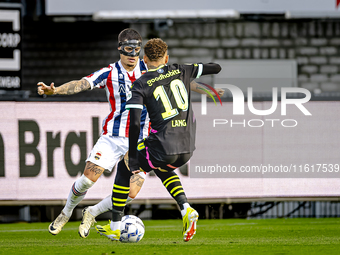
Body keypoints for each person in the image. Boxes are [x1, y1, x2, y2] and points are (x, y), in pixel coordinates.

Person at [95, 38, 221, 242]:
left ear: (144, 59)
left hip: (163, 145)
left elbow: (135, 124)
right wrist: (191, 69)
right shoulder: (181, 69)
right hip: (187, 148)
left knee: (125, 165)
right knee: (162, 166)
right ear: (167, 58)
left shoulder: (141, 84)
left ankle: (116, 226)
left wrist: (134, 156)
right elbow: (216, 67)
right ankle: (186, 208)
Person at [37, 28, 150, 238]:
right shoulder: (109, 72)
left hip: (140, 141)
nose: (132, 55)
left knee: (131, 193)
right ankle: (66, 212)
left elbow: (175, 79)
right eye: (128, 49)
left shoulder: (150, 70)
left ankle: (92, 212)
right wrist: (56, 90)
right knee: (88, 179)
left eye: (136, 49)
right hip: (113, 138)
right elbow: (82, 83)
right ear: (119, 49)